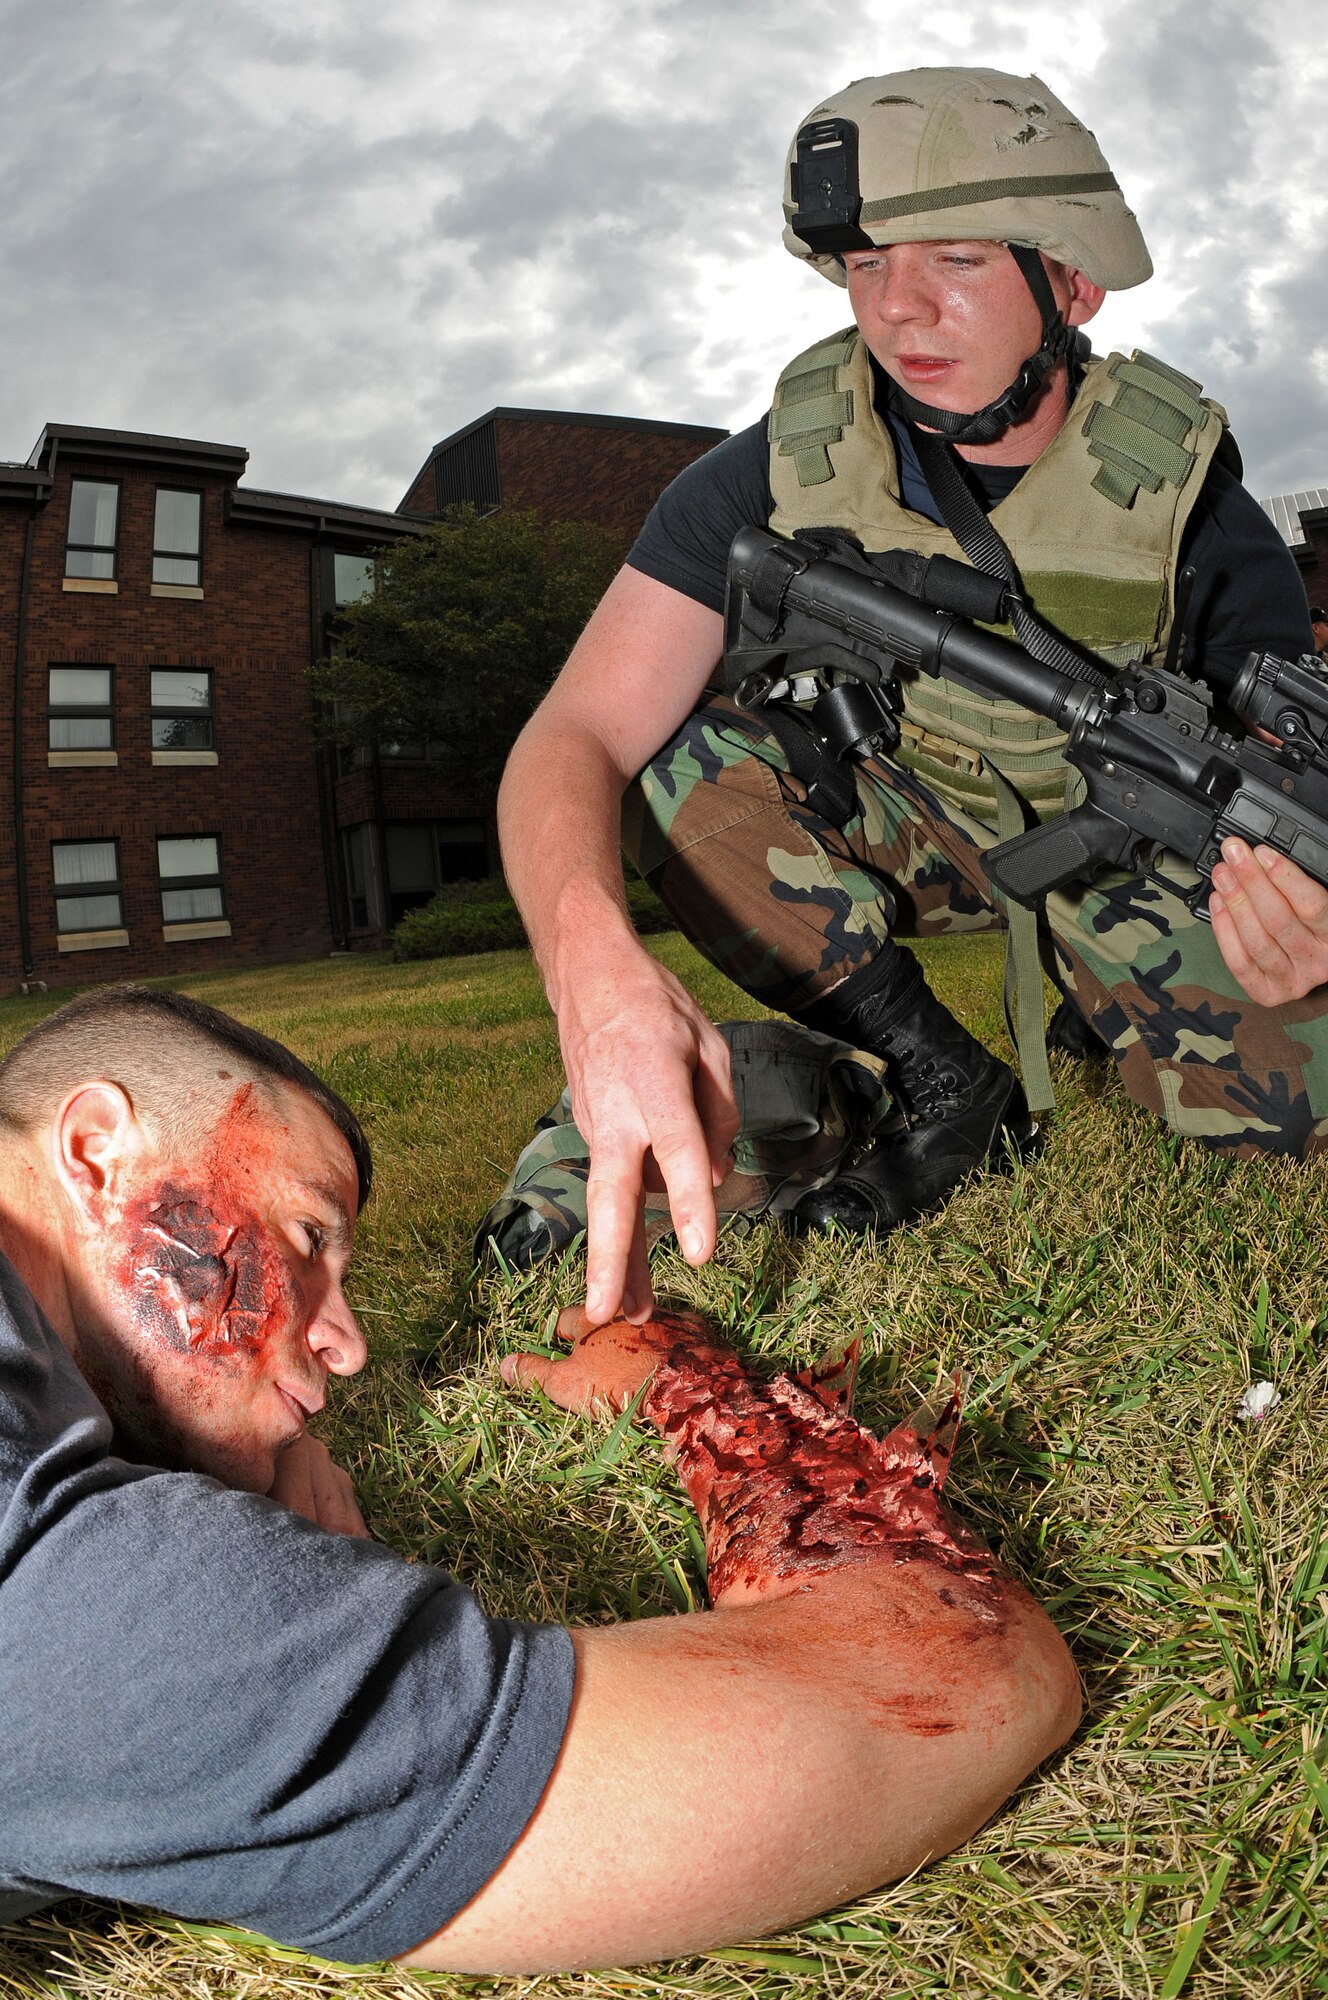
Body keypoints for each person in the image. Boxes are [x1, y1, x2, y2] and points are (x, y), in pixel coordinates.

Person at [0, 983, 1079, 1974]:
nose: (347, 1344)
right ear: (95, 1149)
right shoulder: (86, 1596)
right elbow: (960, 1671)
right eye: (307, 1230)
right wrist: (695, 1390)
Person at [499, 66, 1328, 1326]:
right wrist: (593, 973)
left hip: (1134, 860)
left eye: (952, 258)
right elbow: (572, 734)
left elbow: (1282, 771)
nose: (897, 310)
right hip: (914, 814)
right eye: (864, 266)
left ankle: (1101, 1024)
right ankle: (942, 1079)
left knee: (1283, 1116)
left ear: (1070, 280)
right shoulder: (772, 472)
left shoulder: (1189, 506)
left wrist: (1303, 927)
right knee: (679, 771)